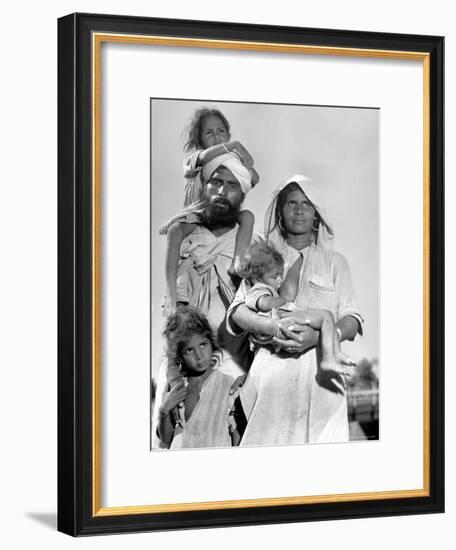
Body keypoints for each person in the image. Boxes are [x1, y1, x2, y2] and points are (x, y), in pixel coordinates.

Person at [227, 175, 363, 446]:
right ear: (280, 211)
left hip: (321, 382)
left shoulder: (335, 263)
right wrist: (273, 327)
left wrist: (319, 338)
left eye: (306, 203)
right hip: (270, 380)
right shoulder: (263, 257)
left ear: (316, 214)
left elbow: (352, 318)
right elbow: (238, 312)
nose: (299, 209)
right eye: (291, 203)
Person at [152, 152, 254, 448]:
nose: (222, 190)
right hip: (182, 350)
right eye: (216, 182)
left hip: (230, 353)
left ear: (242, 194)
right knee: (169, 434)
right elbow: (172, 298)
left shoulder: (246, 234)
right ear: (205, 187)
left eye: (232, 185)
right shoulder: (184, 232)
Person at [159, 108, 259, 302]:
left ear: (227, 134)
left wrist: (244, 159)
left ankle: (237, 263)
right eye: (209, 132)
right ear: (199, 140)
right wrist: (234, 146)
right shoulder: (196, 158)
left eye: (221, 131)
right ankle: (172, 291)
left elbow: (254, 178)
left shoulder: (232, 160)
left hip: (224, 209)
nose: (216, 136)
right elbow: (205, 158)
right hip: (198, 213)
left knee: (247, 216)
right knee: (176, 231)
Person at [238, 239, 355, 375]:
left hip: (284, 318)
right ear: (256, 278)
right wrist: (283, 300)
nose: (280, 279)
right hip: (282, 318)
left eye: (281, 274)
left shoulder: (265, 286)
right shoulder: (258, 289)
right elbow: (264, 304)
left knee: (326, 320)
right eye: (275, 276)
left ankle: (333, 354)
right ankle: (330, 357)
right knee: (326, 316)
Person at [157, 307, 240, 449]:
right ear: (180, 355)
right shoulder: (177, 387)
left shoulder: (228, 384)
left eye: (203, 344)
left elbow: (236, 436)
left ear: (211, 342)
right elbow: (166, 438)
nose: (199, 356)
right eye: (189, 350)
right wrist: (164, 411)